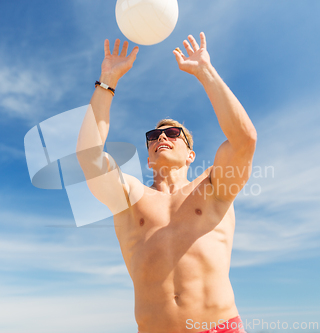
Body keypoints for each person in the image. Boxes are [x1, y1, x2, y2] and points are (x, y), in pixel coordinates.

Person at [76, 32, 256, 333]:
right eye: (153, 136)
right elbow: (89, 157)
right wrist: (107, 81)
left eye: (173, 134)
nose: (161, 137)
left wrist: (204, 71)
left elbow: (244, 141)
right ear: (148, 156)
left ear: (190, 155)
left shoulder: (213, 186)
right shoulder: (131, 196)